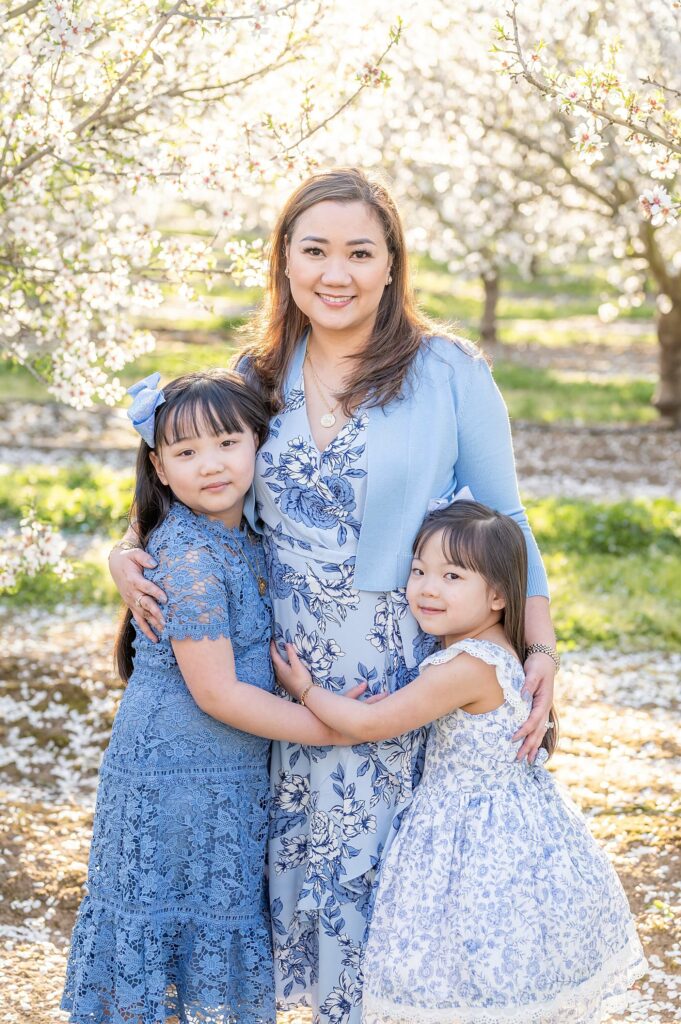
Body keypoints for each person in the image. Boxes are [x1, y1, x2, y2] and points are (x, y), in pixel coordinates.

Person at [109, 168, 559, 1024]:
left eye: (360, 251)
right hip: (272, 681)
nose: (336, 272)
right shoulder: (259, 372)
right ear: (283, 261)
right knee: (286, 898)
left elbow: (505, 517)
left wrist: (538, 647)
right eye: (314, 250)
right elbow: (192, 484)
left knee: (392, 901)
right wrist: (122, 554)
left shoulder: (448, 370)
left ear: (392, 264)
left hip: (395, 680)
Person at [272, 499, 647, 1024]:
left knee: (463, 955)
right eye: (420, 570)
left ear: (497, 594)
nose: (427, 588)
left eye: (452, 575)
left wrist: (306, 689)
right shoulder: (495, 647)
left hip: (472, 835)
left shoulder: (465, 666)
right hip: (519, 824)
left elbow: (373, 725)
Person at [62, 370, 360, 1024]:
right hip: (174, 780)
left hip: (225, 777)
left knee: (204, 934)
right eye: (185, 452)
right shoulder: (191, 554)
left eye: (226, 443)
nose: (211, 465)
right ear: (159, 470)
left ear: (259, 441)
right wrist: (332, 727)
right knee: (168, 930)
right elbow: (218, 692)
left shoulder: (246, 535)